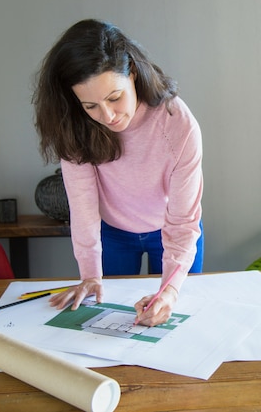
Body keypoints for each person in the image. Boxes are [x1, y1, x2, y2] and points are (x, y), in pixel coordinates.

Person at [32, 19, 204, 327]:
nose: (108, 116)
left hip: (171, 230)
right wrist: (89, 274)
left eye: (114, 97)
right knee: (107, 320)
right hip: (111, 233)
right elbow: (82, 206)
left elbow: (183, 223)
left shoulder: (177, 124)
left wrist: (169, 292)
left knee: (175, 319)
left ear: (134, 75)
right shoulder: (75, 127)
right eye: (90, 105)